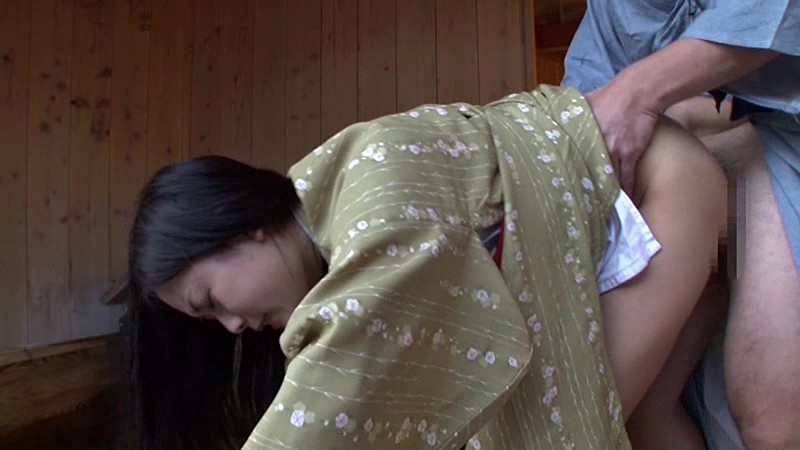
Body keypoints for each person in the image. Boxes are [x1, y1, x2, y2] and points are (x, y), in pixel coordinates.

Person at [124, 86, 725, 449]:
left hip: (657, 186)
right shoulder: (330, 202)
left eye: (210, 301)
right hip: (628, 206)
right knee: (648, 423)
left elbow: (331, 392)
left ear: (238, 226)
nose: (231, 325)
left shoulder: (373, 206)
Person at [562, 1, 800, 449]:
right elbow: (588, 103)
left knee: (770, 419)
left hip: (777, 132)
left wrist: (640, 92)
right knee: (642, 403)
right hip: (717, 138)